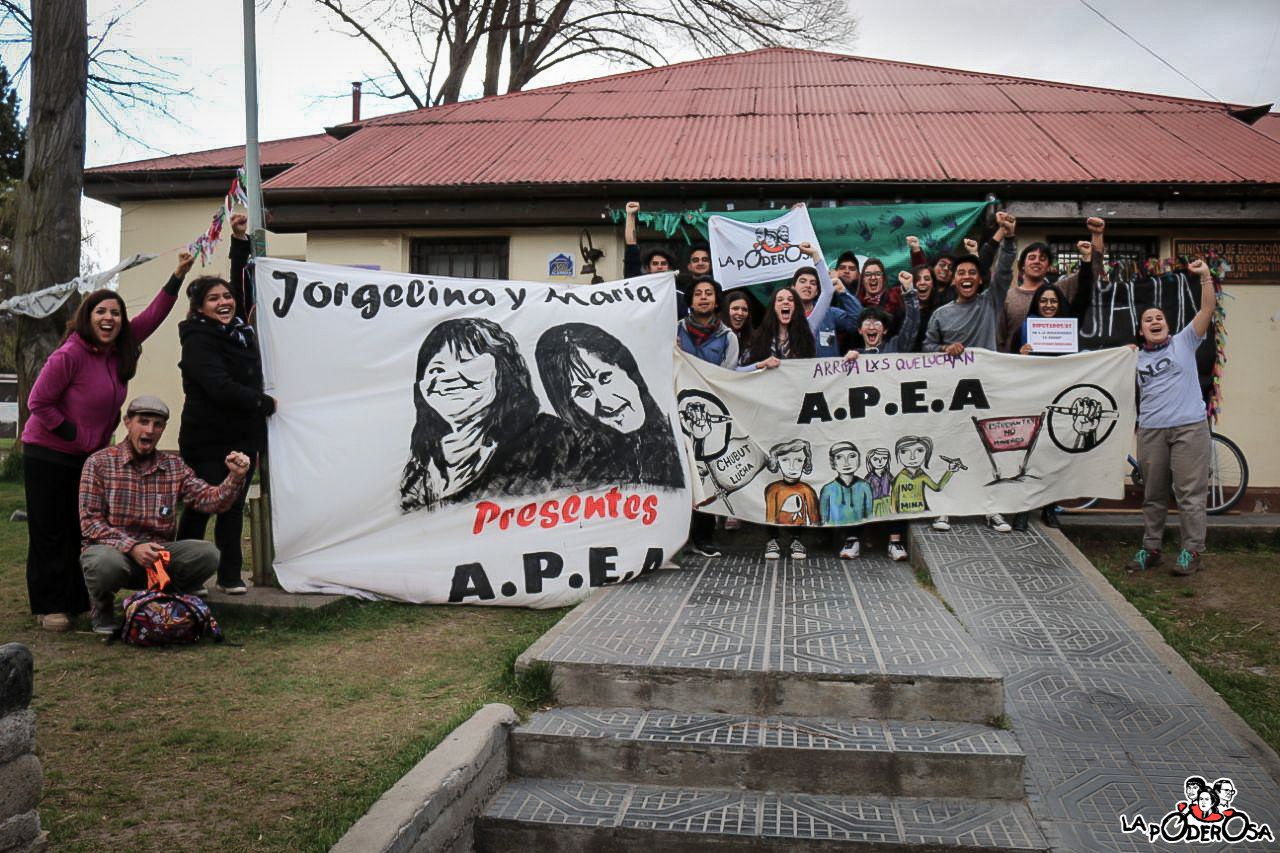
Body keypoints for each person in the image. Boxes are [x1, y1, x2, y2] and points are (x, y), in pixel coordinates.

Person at [22, 254, 194, 632]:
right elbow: (38, 402)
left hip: (86, 458)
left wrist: (177, 276)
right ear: (88, 317)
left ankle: (76, 600)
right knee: (51, 530)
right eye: (101, 311)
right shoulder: (70, 353)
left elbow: (153, 316)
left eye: (116, 313)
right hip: (48, 453)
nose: (109, 318)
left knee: (78, 529)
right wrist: (73, 434)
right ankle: (50, 606)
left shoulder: (119, 352)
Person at [78, 396, 252, 634]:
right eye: (143, 421)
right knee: (102, 562)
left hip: (159, 557)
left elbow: (211, 500)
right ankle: (103, 609)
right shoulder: (98, 463)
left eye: (157, 424)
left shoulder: (174, 466)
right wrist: (133, 547)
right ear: (127, 422)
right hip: (115, 553)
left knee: (207, 554)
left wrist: (235, 477)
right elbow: (90, 524)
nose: (150, 430)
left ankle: (167, 599)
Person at [400, 318, 572, 512]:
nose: (449, 377)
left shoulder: (551, 441)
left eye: (467, 364)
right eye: (437, 369)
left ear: (503, 370)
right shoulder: (418, 466)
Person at [175, 272, 277, 594]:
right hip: (206, 439)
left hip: (243, 437)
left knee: (233, 506)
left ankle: (229, 575)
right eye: (214, 298)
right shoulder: (197, 339)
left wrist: (239, 241)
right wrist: (263, 403)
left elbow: (242, 279)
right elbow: (219, 387)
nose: (224, 302)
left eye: (227, 296)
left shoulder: (241, 334)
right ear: (199, 307)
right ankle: (184, 576)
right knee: (200, 506)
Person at [1124, 259, 1217, 577]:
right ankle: (1151, 549)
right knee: (1153, 495)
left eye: (1159, 318)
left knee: (1190, 495)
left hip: (1189, 428)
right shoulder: (1133, 357)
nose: (1154, 321)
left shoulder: (1185, 341)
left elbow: (1207, 310)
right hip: (1151, 431)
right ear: (1141, 330)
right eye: (1148, 319)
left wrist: (1205, 276)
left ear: (1167, 324)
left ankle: (1192, 551)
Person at [923, 246, 1016, 534]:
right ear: (953, 280)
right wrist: (944, 349)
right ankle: (945, 507)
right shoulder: (940, 314)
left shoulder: (990, 302)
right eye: (961, 272)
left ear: (980, 280)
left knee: (986, 449)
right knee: (949, 448)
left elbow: (1004, 270)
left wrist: (1009, 238)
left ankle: (991, 508)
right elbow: (926, 347)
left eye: (972, 273)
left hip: (986, 390)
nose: (966, 277)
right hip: (951, 394)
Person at [1010, 239, 1096, 530]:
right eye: (1044, 301)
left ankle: (1049, 508)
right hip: (1031, 399)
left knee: (1055, 453)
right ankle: (1023, 508)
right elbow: (1008, 364)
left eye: (1053, 302)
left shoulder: (1069, 326)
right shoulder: (1024, 330)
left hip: (1060, 399)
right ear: (1037, 304)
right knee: (1028, 452)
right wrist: (1019, 354)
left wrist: (1087, 261)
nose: (1048, 305)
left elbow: (1084, 294)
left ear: (1060, 305)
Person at [536, 323, 685, 490]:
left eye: (605, 378)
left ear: (627, 368)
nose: (607, 403)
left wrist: (675, 355)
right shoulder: (576, 474)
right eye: (584, 392)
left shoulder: (682, 424)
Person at [677, 276, 737, 557]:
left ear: (716, 301)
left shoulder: (728, 337)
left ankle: (704, 536)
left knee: (705, 473)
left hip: (710, 412)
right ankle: (677, 535)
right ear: (690, 300)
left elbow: (728, 375)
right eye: (698, 293)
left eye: (709, 293)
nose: (703, 297)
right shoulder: (674, 332)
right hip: (677, 409)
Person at [998, 216, 1105, 352]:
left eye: (1042, 259)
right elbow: (1000, 339)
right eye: (1032, 258)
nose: (1037, 261)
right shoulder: (1007, 297)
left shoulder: (1059, 290)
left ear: (1048, 267)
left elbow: (1090, 272)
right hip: (1016, 362)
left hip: (1055, 363)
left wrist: (1097, 235)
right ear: (1022, 265)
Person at [738, 242, 829, 369]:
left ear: (796, 307)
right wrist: (761, 365)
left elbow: (828, 291)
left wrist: (815, 255)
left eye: (791, 300)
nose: (785, 302)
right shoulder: (759, 337)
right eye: (780, 300)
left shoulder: (808, 327)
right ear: (773, 307)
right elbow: (738, 370)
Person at [763, 438, 818, 559]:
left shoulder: (807, 490)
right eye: (785, 460)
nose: (792, 467)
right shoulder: (773, 490)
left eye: (799, 460)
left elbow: (814, 517)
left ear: (805, 462)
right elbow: (770, 516)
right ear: (777, 462)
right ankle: (773, 540)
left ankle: (797, 540)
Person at [790, 265, 861, 357]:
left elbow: (857, 321)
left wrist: (843, 292)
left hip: (825, 366)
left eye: (813, 283)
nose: (808, 285)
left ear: (817, 291)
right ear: (793, 288)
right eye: (803, 281)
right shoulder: (784, 315)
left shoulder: (830, 314)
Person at [819, 442, 874, 559]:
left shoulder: (864, 486)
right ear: (833, 462)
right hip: (835, 531)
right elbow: (823, 515)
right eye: (839, 457)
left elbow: (869, 512)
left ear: (858, 459)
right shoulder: (828, 489)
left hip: (857, 531)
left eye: (852, 456)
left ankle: (853, 542)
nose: (846, 462)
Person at [621, 201, 678, 278]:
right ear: (648, 268)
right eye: (655, 263)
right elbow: (631, 247)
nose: (659, 267)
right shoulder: (640, 283)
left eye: (663, 263)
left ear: (669, 267)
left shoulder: (677, 285)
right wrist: (630, 215)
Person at [722, 289, 754, 354]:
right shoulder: (714, 336)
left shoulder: (753, 339)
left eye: (744, 310)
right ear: (726, 310)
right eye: (735, 308)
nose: (740, 313)